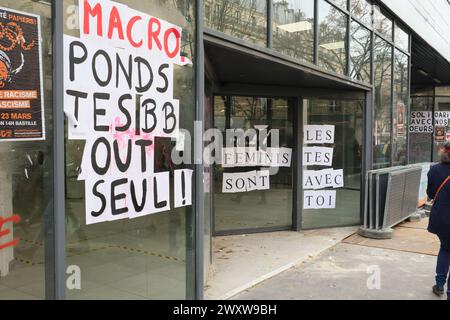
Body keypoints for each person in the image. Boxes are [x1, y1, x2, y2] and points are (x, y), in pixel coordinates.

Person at [427, 141, 450, 300]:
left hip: (441, 218)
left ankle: (440, 284)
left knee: (445, 248)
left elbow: (430, 193)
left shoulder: (434, 170)